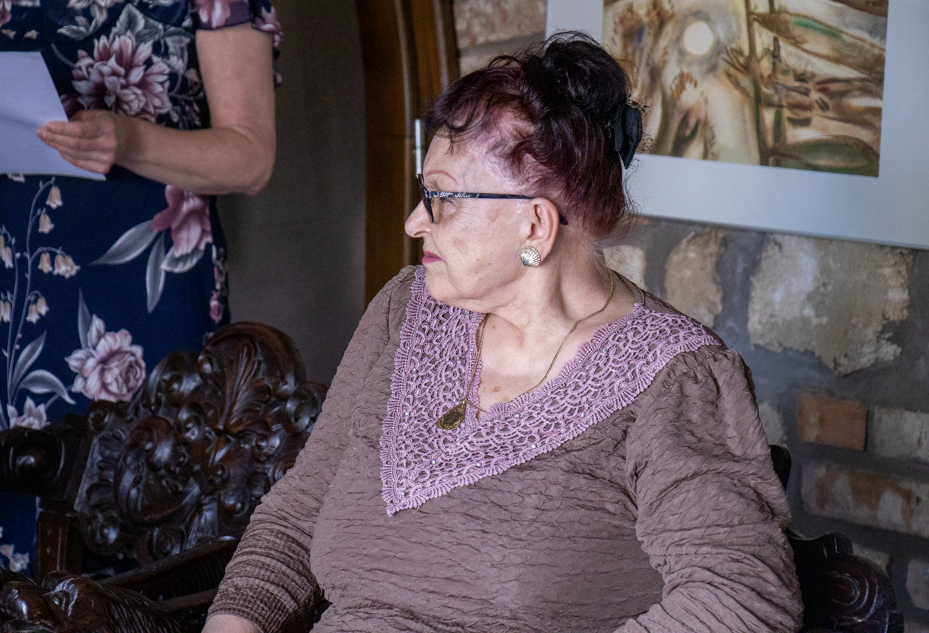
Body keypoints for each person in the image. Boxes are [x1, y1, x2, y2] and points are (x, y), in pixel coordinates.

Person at [203, 33, 802, 633]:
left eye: (441, 198)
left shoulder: (675, 379)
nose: (414, 222)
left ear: (535, 225)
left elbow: (741, 598)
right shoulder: (404, 310)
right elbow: (300, 513)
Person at [0, 0, 280, 574]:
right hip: (9, 291)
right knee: (3, 503)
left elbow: (253, 158)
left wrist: (130, 141)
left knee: (138, 504)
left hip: (144, 286)